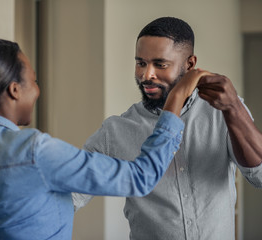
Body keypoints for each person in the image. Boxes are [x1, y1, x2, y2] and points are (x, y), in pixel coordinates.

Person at [0, 39, 207, 240]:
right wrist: (176, 99)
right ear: (15, 90)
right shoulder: (34, 150)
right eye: (34, 81)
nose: (38, 90)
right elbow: (141, 177)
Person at [73, 17, 262, 240]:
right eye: (141, 63)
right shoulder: (115, 131)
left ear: (190, 65)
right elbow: (72, 194)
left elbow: (259, 177)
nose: (146, 75)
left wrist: (233, 109)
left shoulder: (221, 111)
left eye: (160, 64)